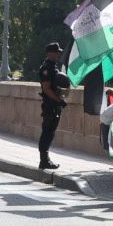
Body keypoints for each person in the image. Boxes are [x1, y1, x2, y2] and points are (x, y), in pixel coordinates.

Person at [35, 42, 70, 172]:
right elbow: (46, 88)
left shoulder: (53, 67)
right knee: (47, 132)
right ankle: (44, 160)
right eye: (57, 52)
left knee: (50, 132)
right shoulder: (46, 68)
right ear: (50, 53)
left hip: (54, 105)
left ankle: (45, 159)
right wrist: (59, 101)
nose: (58, 54)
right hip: (50, 105)